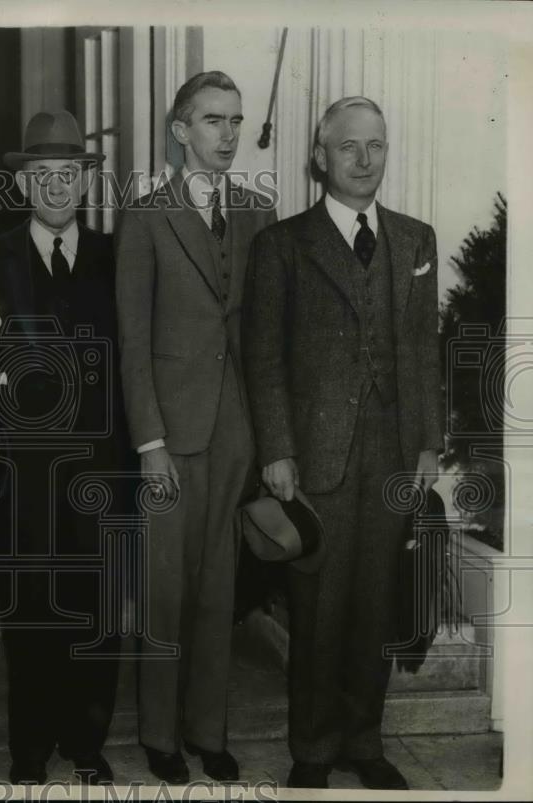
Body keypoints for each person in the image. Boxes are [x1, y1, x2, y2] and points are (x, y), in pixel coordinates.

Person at [243, 96, 442, 790]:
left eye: (377, 146)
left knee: (378, 604)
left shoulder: (417, 240)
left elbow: (422, 350)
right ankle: (314, 748)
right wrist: (276, 447)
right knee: (320, 609)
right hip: (316, 458)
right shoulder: (282, 245)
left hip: (392, 453)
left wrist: (427, 445)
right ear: (320, 156)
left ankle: (365, 739)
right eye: (350, 146)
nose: (364, 160)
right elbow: (263, 358)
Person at [114, 71, 277, 784]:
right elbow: (133, 339)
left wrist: (268, 439)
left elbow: (262, 340)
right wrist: (149, 444)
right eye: (214, 121)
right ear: (181, 132)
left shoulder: (258, 213)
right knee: (164, 591)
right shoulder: (147, 217)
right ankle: (159, 735)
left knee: (219, 589)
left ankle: (209, 729)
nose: (229, 134)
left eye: (237, 121)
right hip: (169, 440)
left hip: (235, 431)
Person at [0, 110, 128, 786]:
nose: (56, 187)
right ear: (23, 183)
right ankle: (28, 748)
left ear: (85, 181)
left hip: (100, 465)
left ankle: (87, 742)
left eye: (69, 173)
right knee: (29, 609)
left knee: (96, 604)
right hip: (19, 471)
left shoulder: (118, 257)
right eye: (43, 175)